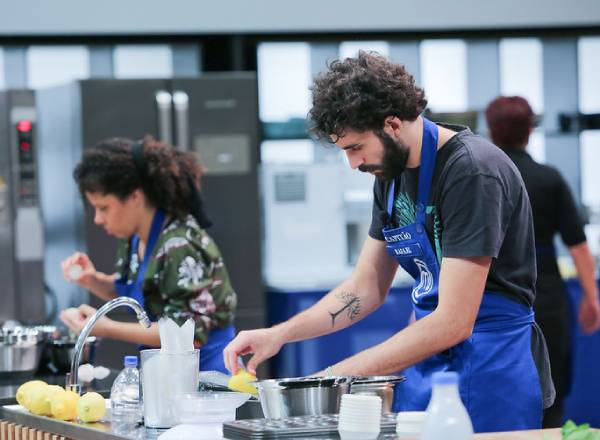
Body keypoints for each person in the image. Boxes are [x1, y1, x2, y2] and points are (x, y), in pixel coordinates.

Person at [224, 52, 555, 433]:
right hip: (429, 362)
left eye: (354, 147)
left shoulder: (472, 172)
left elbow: (453, 322)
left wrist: (333, 377)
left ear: (392, 124)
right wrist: (278, 335)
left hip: (490, 369)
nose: (352, 163)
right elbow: (365, 288)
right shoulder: (391, 177)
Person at [60, 136, 237, 374]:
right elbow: (141, 290)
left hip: (207, 380)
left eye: (104, 208)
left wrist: (106, 328)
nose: (98, 219)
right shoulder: (133, 239)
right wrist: (92, 280)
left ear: (135, 196)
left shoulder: (178, 246)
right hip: (167, 376)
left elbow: (187, 335)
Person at [485, 95, 600, 427]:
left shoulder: (479, 178)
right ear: (530, 131)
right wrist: (591, 300)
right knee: (550, 396)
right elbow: (578, 247)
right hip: (545, 298)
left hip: (488, 299)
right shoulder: (548, 178)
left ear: (491, 131)